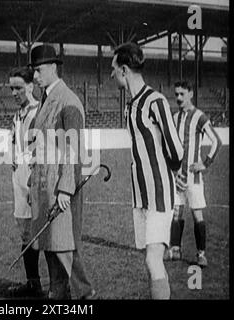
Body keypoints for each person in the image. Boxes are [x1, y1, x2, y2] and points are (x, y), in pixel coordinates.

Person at [110, 42, 184, 299]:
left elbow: (176, 149)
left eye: (114, 68)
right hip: (140, 194)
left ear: (125, 70)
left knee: (154, 260)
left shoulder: (155, 101)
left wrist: (173, 173)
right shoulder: (130, 106)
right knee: (150, 260)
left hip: (160, 192)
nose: (111, 74)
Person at [29, 44, 96, 300]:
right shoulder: (46, 100)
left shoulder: (68, 101)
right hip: (44, 185)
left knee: (65, 246)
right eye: (34, 71)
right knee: (50, 243)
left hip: (60, 188)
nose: (34, 77)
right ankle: (58, 292)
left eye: (39, 70)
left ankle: (85, 295)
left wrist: (66, 189)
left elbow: (73, 149)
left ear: (53, 68)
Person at [164, 80, 222, 267]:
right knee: (176, 213)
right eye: (176, 94)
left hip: (193, 177)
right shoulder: (174, 118)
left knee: (197, 215)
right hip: (178, 176)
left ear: (190, 94)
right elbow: (170, 146)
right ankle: (175, 249)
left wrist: (205, 163)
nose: (179, 98)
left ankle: (201, 254)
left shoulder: (199, 117)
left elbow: (216, 141)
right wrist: (173, 170)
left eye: (182, 94)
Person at [6, 66, 42, 297]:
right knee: (25, 233)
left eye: (18, 87)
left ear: (30, 86)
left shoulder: (40, 112)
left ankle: (60, 286)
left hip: (33, 176)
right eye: (11, 88)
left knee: (40, 233)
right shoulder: (18, 114)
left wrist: (34, 179)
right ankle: (32, 283)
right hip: (18, 176)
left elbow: (44, 148)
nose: (13, 92)